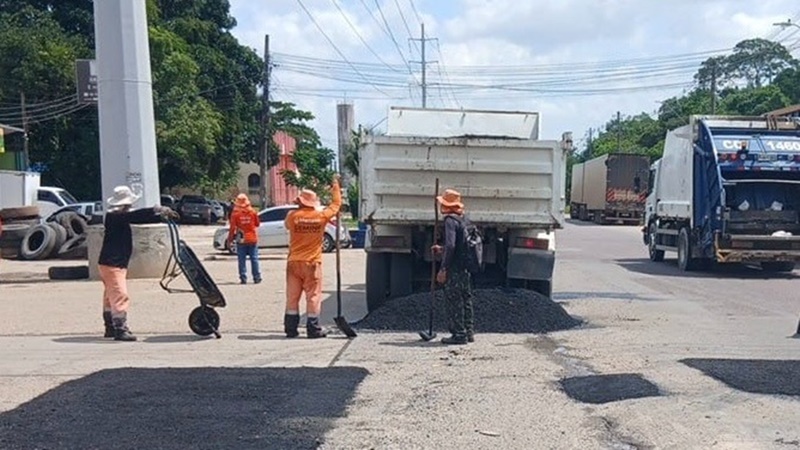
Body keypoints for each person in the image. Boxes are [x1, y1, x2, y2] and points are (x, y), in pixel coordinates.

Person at [98, 185, 178, 341]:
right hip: (113, 264)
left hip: (111, 263)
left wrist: (160, 218)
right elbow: (136, 216)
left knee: (110, 296)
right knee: (120, 295)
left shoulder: (118, 217)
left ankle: (110, 327)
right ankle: (120, 329)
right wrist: (156, 210)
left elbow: (138, 218)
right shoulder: (115, 217)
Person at [283, 176, 341, 339]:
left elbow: (287, 226)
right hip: (312, 263)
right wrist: (335, 186)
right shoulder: (321, 216)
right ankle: (313, 329)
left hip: (293, 262)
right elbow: (336, 205)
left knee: (292, 296)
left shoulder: (292, 216)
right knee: (313, 296)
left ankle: (290, 329)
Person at [432, 188, 474, 345]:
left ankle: (459, 334)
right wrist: (441, 249)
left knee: (454, 300)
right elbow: (459, 244)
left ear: (445, 205)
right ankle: (468, 332)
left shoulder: (450, 221)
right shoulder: (463, 219)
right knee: (465, 298)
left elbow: (451, 245)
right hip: (465, 266)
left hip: (454, 267)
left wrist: (443, 268)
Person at [228, 193, 261, 284]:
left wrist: (230, 239)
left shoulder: (235, 214)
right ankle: (257, 277)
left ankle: (243, 277)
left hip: (241, 239)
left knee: (241, 259)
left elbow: (232, 228)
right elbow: (257, 224)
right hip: (252, 238)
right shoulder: (253, 212)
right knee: (254, 258)